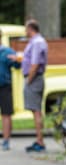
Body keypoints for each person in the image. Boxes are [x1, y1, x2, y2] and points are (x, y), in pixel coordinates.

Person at [20, 19, 48, 152]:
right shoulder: (38, 41)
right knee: (35, 110)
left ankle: (40, 141)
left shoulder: (37, 42)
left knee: (36, 111)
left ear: (31, 29)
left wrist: (28, 80)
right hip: (35, 78)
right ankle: (39, 139)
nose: (25, 32)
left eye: (26, 29)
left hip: (34, 79)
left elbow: (35, 63)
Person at [0, 30, 21, 151]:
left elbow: (18, 65)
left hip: (4, 87)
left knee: (6, 114)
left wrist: (18, 60)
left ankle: (6, 140)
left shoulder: (7, 52)